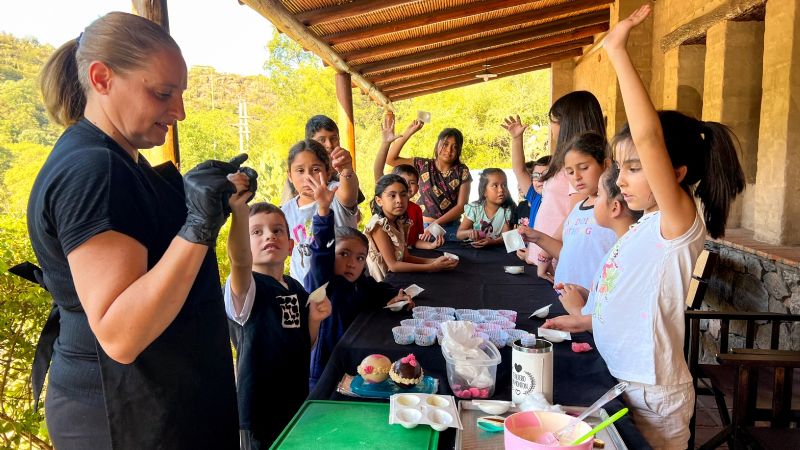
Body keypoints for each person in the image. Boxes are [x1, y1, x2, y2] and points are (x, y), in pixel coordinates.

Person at [28, 12, 243, 449]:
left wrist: (190, 197)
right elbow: (120, 334)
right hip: (122, 414)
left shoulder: (119, 159)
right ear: (102, 78)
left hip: (153, 400)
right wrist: (198, 226)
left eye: (179, 94)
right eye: (163, 93)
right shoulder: (95, 169)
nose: (178, 111)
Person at [546, 6, 745, 448]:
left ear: (673, 172)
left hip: (653, 394)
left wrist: (617, 51)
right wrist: (586, 320)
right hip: (620, 378)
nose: (619, 179)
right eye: (620, 166)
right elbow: (628, 295)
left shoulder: (678, 223)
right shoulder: (644, 226)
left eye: (635, 168)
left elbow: (649, 137)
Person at [225, 197, 332, 447]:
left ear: (291, 245)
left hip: (294, 402)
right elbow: (239, 262)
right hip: (260, 415)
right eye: (256, 232)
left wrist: (314, 320)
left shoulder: (294, 287)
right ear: (244, 244)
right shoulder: (246, 289)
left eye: (277, 231)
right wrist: (239, 213)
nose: (269, 236)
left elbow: (302, 342)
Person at [303, 176, 412, 389]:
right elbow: (320, 254)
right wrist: (324, 211)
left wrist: (398, 295)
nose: (352, 263)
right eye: (343, 254)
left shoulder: (358, 283)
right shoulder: (323, 284)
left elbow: (376, 290)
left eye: (360, 258)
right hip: (324, 373)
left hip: (354, 366)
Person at [505, 93, 607, 281]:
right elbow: (520, 173)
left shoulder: (578, 172)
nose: (551, 127)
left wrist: (546, 253)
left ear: (566, 123)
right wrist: (517, 140)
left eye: (552, 121)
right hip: (544, 257)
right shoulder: (565, 165)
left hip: (555, 261)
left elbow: (575, 219)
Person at [517, 132, 617, 290]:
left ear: (606, 165)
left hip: (593, 304)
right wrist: (537, 237)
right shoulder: (578, 209)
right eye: (570, 172)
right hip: (568, 297)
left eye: (584, 168)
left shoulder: (615, 208)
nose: (576, 177)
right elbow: (568, 254)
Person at [281, 139, 360, 283]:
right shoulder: (285, 211)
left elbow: (349, 195)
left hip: (344, 288)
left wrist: (347, 170)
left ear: (328, 172)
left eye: (316, 169)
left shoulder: (335, 192)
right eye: (300, 171)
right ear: (290, 176)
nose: (308, 177)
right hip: (307, 292)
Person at [385, 119, 472, 242]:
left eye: (455, 147)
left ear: (459, 151)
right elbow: (390, 159)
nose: (449, 150)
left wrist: (435, 225)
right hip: (422, 228)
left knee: (452, 260)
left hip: (451, 229)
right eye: (445, 144)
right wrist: (408, 132)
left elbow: (461, 206)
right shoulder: (423, 164)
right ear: (437, 145)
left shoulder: (462, 171)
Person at [364, 174, 458, 281]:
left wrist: (437, 261)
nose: (399, 200)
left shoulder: (399, 222)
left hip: (398, 277)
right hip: (383, 283)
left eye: (403, 194)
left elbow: (406, 257)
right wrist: (431, 267)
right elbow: (393, 266)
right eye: (392, 195)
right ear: (379, 200)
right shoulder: (378, 226)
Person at [373, 114, 444, 249]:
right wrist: (386, 143)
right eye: (403, 182)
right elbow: (377, 170)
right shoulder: (387, 205)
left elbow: (413, 242)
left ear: (417, 187)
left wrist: (432, 245)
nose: (406, 187)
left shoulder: (416, 210)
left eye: (411, 183)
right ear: (379, 200)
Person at [280, 114, 364, 205]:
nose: (329, 145)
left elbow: (355, 210)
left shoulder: (343, 170)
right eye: (321, 140)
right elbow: (285, 213)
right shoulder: (298, 176)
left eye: (333, 138)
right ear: (309, 143)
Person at [456, 168, 514, 247]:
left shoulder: (507, 211)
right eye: (495, 186)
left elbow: (505, 237)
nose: (501, 190)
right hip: (473, 250)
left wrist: (493, 242)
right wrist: (469, 232)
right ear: (484, 191)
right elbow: (459, 234)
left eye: (504, 185)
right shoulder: (474, 208)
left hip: (496, 252)